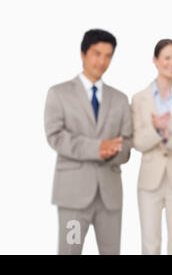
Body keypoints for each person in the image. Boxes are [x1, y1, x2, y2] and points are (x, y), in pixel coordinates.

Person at [44, 29, 132, 254]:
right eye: (96, 53)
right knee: (70, 250)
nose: (102, 61)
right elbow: (55, 136)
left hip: (109, 198)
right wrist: (98, 148)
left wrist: (115, 150)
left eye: (108, 55)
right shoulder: (59, 93)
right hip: (73, 196)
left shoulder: (120, 99)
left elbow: (127, 141)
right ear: (83, 54)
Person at [132, 39, 172, 254]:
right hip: (149, 181)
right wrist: (157, 129)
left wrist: (168, 134)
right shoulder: (139, 98)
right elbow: (138, 141)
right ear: (155, 60)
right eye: (167, 57)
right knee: (150, 244)